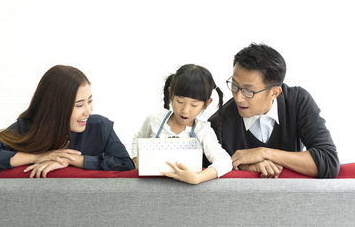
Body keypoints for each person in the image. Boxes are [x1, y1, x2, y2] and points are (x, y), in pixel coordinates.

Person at [0, 65, 134, 177]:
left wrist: (70, 160)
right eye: (79, 105)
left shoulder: (100, 127)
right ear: (56, 108)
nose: (88, 111)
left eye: (90, 101)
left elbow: (126, 165)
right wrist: (38, 157)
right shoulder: (27, 128)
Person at [206, 43, 340, 178]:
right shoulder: (217, 124)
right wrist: (245, 167)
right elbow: (204, 172)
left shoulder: (298, 101)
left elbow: (328, 162)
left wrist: (264, 153)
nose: (238, 97)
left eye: (248, 91)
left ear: (274, 93)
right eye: (234, 86)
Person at [132, 64, 232, 184]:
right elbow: (137, 139)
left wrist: (198, 178)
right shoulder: (155, 119)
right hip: (151, 188)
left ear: (206, 103)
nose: (185, 110)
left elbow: (225, 161)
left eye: (194, 105)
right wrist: (136, 161)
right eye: (180, 101)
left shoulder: (203, 131)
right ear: (171, 94)